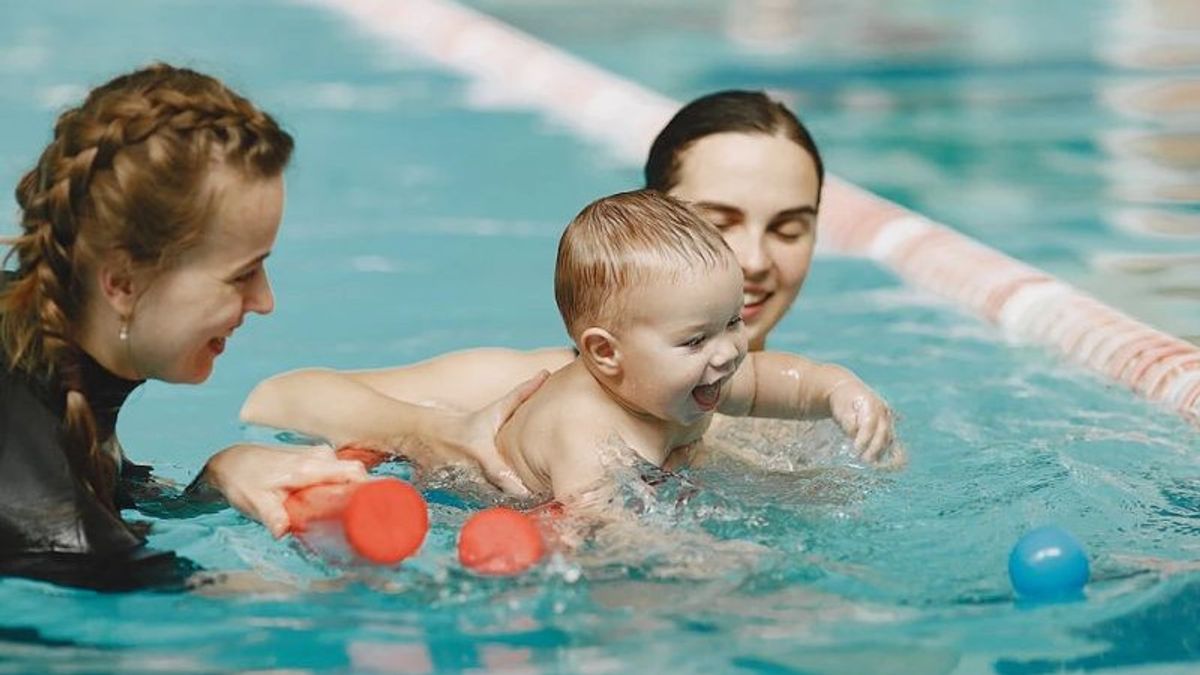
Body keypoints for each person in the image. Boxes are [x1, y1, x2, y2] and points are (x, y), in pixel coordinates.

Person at [0, 63, 537, 590]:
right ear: (120, 282)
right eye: (241, 275)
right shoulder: (57, 528)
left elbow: (105, 493)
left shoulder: (37, 352)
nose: (265, 301)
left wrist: (219, 476)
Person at [239, 89, 899, 477]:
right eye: (717, 223)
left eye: (788, 228)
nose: (755, 259)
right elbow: (277, 398)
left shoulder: (817, 424)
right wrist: (429, 434)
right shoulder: (548, 390)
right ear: (655, 222)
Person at [497, 190, 890, 509]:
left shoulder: (687, 379)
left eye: (733, 322)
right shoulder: (583, 432)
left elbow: (780, 383)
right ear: (605, 352)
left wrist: (837, 390)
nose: (727, 353)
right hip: (497, 504)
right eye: (695, 340)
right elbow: (606, 537)